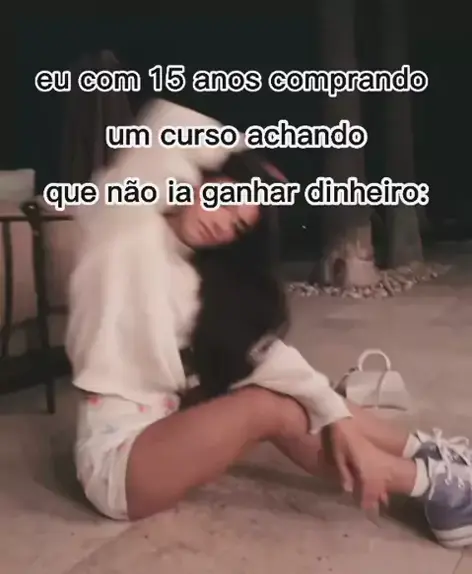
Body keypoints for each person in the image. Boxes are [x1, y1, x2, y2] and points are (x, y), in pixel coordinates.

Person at [67, 100, 472, 549]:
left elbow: (267, 359)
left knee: (289, 388)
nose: (224, 226)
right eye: (223, 201)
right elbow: (166, 124)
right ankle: (426, 484)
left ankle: (425, 451)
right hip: (118, 464)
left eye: (239, 226)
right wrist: (246, 160)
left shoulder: (191, 277)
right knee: (265, 407)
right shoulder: (124, 222)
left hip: (164, 425)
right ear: (198, 177)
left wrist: (335, 414)